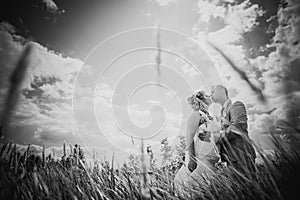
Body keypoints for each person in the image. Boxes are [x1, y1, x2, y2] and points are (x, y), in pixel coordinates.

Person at [174, 90, 221, 191]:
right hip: (199, 160)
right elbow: (189, 137)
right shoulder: (196, 115)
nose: (210, 96)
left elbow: (218, 135)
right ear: (201, 100)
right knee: (192, 188)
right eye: (207, 95)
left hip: (210, 160)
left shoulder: (211, 117)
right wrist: (192, 159)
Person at [210, 85, 256, 175]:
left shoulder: (236, 104)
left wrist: (215, 137)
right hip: (231, 158)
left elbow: (238, 128)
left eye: (212, 92)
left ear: (222, 91)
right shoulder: (222, 112)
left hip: (242, 154)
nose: (210, 95)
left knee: (248, 187)